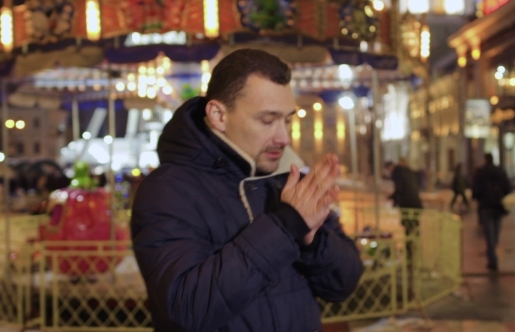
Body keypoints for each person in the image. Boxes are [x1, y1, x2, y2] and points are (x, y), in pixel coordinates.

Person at [131, 49, 363, 332]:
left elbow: (343, 284)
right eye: (267, 121)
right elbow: (187, 308)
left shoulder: (290, 176)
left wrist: (313, 243)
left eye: (287, 119)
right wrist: (285, 226)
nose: (284, 138)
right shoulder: (169, 190)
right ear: (218, 115)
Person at [472, 153, 512, 271]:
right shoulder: (499, 172)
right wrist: (499, 196)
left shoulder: (481, 173)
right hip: (497, 206)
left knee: (489, 235)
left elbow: (476, 191)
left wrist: (481, 197)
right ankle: (492, 255)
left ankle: (492, 259)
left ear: (485, 160)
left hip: (485, 207)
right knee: (495, 234)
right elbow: (508, 188)